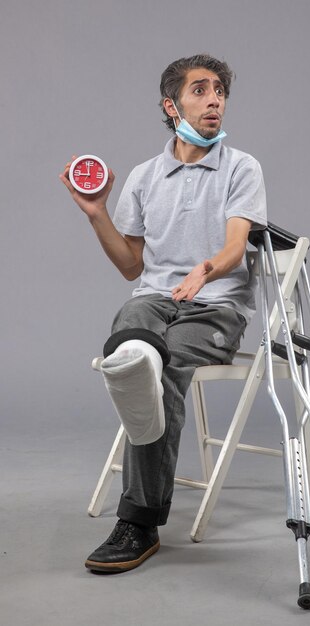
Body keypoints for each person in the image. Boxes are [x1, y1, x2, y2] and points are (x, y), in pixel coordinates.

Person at [60, 53, 267, 574]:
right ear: (171, 105)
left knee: (163, 367)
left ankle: (139, 521)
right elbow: (132, 265)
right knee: (136, 342)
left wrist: (204, 272)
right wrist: (97, 213)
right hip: (154, 300)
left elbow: (236, 247)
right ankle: (134, 359)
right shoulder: (145, 176)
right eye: (200, 90)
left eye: (219, 90)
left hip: (215, 309)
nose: (215, 98)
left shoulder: (242, 167)